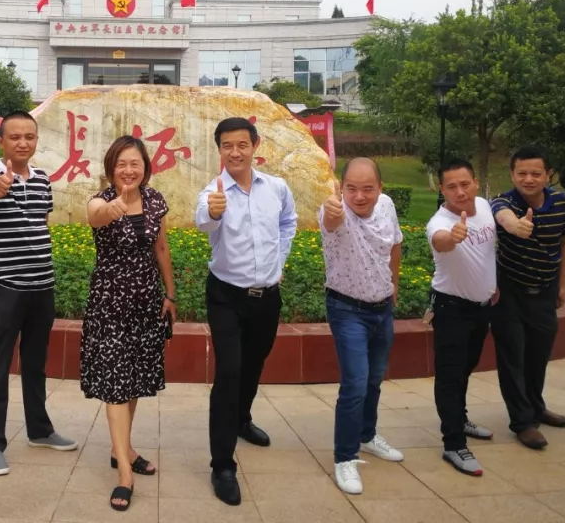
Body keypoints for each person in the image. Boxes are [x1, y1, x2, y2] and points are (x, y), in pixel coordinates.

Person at [195, 117, 297, 506]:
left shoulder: (277, 188)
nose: (235, 152)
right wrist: (214, 212)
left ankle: (241, 419)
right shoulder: (213, 192)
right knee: (230, 371)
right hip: (226, 296)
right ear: (219, 149)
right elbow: (202, 221)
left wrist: (279, 262)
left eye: (241, 144)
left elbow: (287, 223)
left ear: (255, 145)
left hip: (267, 297)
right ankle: (222, 464)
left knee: (254, 364)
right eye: (227, 145)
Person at [0, 111, 77, 477]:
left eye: (29, 137)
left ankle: (40, 430)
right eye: (15, 137)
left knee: (36, 364)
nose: (22, 143)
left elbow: (40, 223)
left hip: (41, 287)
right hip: (5, 287)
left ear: (36, 141)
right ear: (2, 141)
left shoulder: (43, 180)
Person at [82, 135, 177, 512]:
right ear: (111, 168)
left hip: (146, 304)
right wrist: (115, 206)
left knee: (133, 379)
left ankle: (121, 448)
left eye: (135, 163)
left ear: (145, 167)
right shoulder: (101, 200)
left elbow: (161, 248)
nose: (128, 170)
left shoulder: (155, 201)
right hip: (110, 306)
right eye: (121, 164)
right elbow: (95, 215)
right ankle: (124, 472)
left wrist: (170, 295)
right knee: (116, 385)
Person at [319, 157, 404, 495]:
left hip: (381, 308)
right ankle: (345, 457)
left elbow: (395, 244)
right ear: (341, 188)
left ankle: (367, 435)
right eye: (351, 188)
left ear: (380, 188)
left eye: (368, 188)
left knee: (374, 379)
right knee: (355, 384)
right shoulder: (334, 210)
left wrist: (395, 283)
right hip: (346, 308)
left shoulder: (387, 206)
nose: (359, 196)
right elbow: (330, 221)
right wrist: (332, 210)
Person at [490, 146, 565, 450]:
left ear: (548, 175)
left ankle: (536, 407)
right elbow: (501, 215)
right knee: (512, 357)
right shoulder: (504, 201)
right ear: (512, 174)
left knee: (538, 355)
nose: (528, 179)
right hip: (509, 293)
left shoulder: (561, 203)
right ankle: (523, 422)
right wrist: (514, 225)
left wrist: (562, 285)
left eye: (535, 173)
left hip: (544, 291)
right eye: (521, 173)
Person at [426, 159, 498, 477]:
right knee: (450, 376)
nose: (460, 191)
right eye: (451, 186)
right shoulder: (439, 223)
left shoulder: (484, 207)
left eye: (464, 184)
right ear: (442, 189)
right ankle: (453, 443)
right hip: (450, 309)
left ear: (476, 183)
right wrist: (453, 237)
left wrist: (492, 284)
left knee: (467, 367)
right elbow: (440, 241)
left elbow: (488, 251)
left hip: (481, 307)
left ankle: (460, 418)